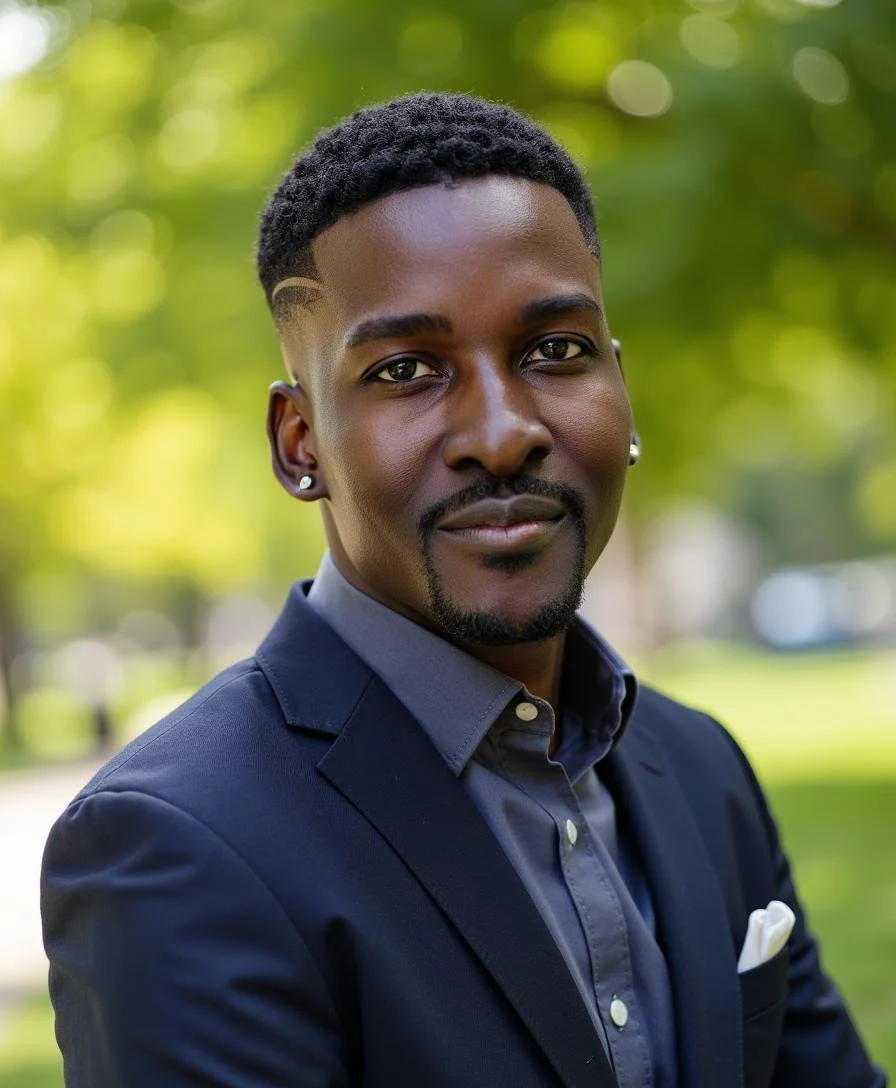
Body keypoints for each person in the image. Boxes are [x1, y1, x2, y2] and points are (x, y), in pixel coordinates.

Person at [41, 92, 885, 1088]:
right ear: (299, 441)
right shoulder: (179, 844)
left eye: (553, 350)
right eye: (406, 369)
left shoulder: (699, 768)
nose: (500, 430)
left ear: (620, 392)